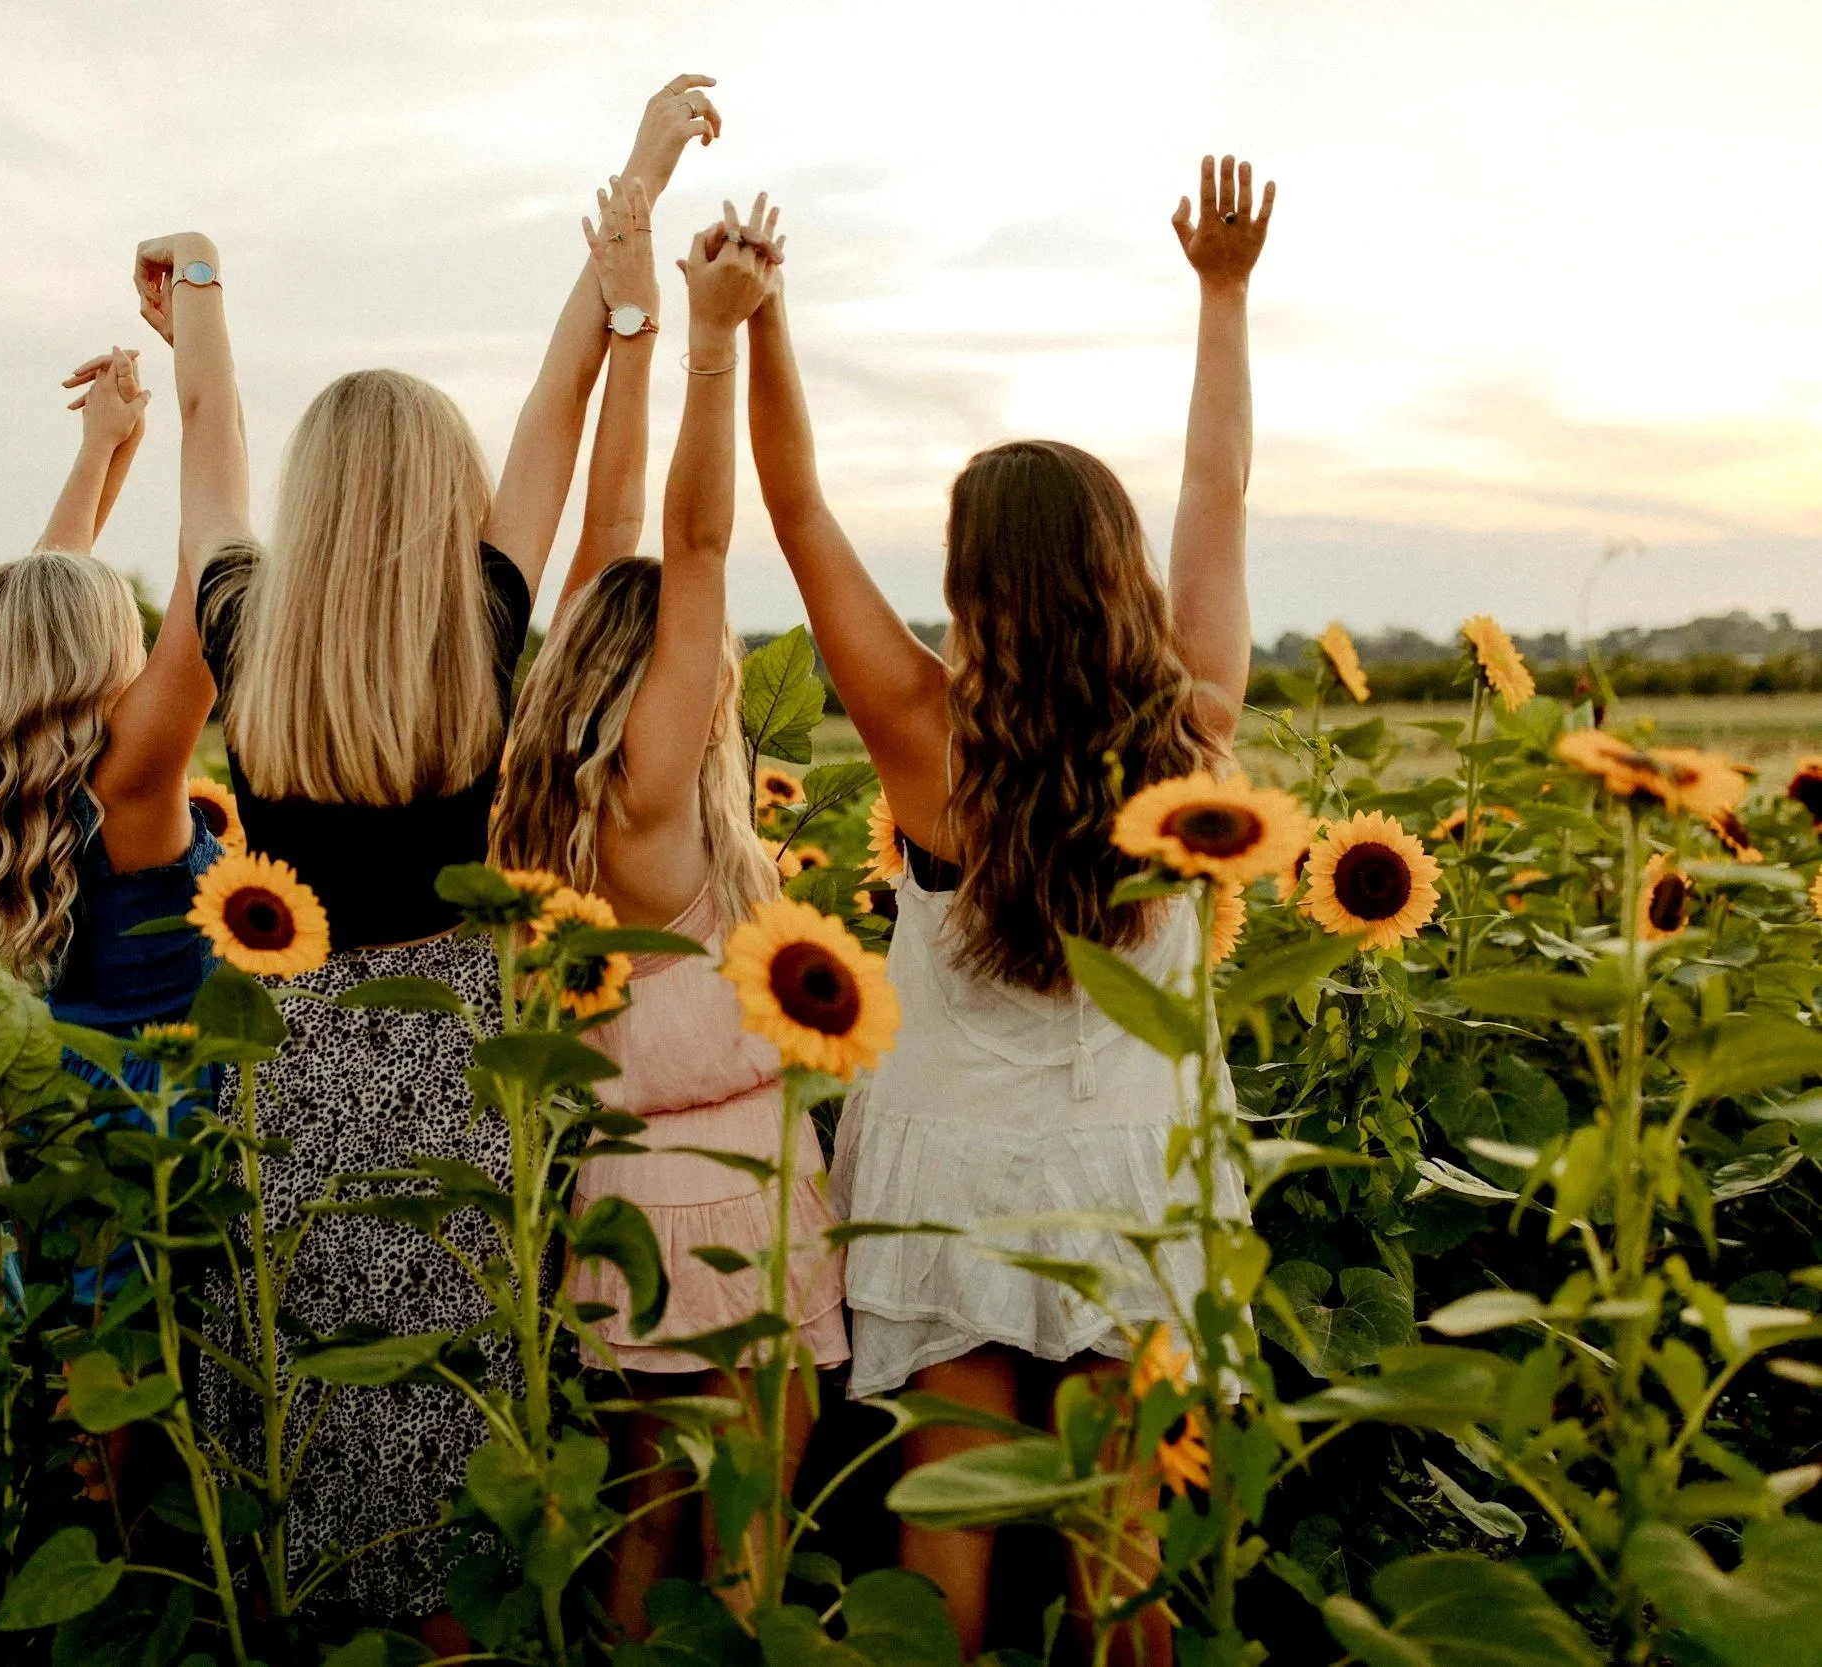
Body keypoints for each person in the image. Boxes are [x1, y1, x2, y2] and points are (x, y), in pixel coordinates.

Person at [110, 76, 723, 1630]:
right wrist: (636, 190)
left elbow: (203, 434)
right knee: (458, 1409)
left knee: (317, 1406)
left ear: (317, 495)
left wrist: (201, 298)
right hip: (460, 1043)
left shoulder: (245, 613)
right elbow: (558, 408)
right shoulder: (484, 616)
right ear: (440, 489)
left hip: (295, 1048)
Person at [742, 157, 1276, 1661]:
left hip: (950, 1174)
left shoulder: (926, 738)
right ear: (1118, 577)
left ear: (970, 581)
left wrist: (767, 317)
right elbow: (1218, 493)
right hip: (1140, 1167)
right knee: (1126, 1562)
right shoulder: (1195, 735)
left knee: (944, 1556)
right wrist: (1223, 296)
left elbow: (793, 505)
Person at [488, 194, 846, 1630]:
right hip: (739, 1188)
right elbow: (688, 546)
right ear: (667, 666)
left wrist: (633, 307)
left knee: (642, 1534)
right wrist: (716, 343)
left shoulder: (563, 780)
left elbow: (628, 529)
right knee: (750, 1548)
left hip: (620, 1185)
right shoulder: (655, 788)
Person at [0, 348, 219, 1088]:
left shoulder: (4, 776)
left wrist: (108, 445)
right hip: (163, 1111)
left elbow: (35, 601)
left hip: (58, 1094)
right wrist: (196, 361)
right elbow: (210, 562)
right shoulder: (135, 771)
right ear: (108, 644)